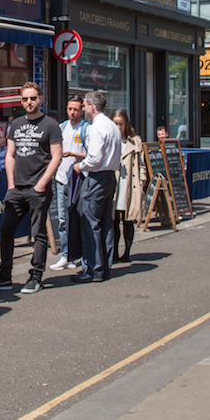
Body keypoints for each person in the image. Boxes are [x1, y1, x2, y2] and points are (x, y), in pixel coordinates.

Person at [0, 82, 62, 294]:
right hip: (17, 188)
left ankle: (36, 277)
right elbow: (10, 154)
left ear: (40, 99)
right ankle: (5, 275)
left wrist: (41, 184)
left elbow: (57, 157)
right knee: (6, 230)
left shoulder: (51, 125)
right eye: (25, 99)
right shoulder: (15, 124)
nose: (29, 102)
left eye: (33, 98)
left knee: (38, 233)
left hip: (38, 188)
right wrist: (11, 184)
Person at [71, 91, 121, 283]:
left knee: (90, 222)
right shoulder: (112, 126)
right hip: (109, 177)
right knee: (106, 223)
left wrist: (80, 166)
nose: (83, 109)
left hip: (97, 177)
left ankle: (93, 269)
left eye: (84, 105)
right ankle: (105, 267)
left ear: (92, 106)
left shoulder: (95, 127)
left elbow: (94, 158)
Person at [48, 97, 87, 271]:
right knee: (63, 220)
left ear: (82, 110)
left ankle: (80, 254)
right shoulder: (61, 127)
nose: (72, 112)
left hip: (78, 180)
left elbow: (92, 155)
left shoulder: (87, 129)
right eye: (70, 109)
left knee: (79, 219)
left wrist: (74, 154)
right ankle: (66, 255)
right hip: (61, 178)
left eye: (76, 109)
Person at [112, 109, 145, 263]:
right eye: (115, 124)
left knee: (128, 219)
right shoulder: (109, 140)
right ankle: (113, 253)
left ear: (126, 124)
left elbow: (142, 165)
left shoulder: (135, 141)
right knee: (113, 220)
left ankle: (127, 252)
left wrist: (142, 181)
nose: (118, 127)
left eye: (121, 124)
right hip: (115, 183)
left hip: (130, 184)